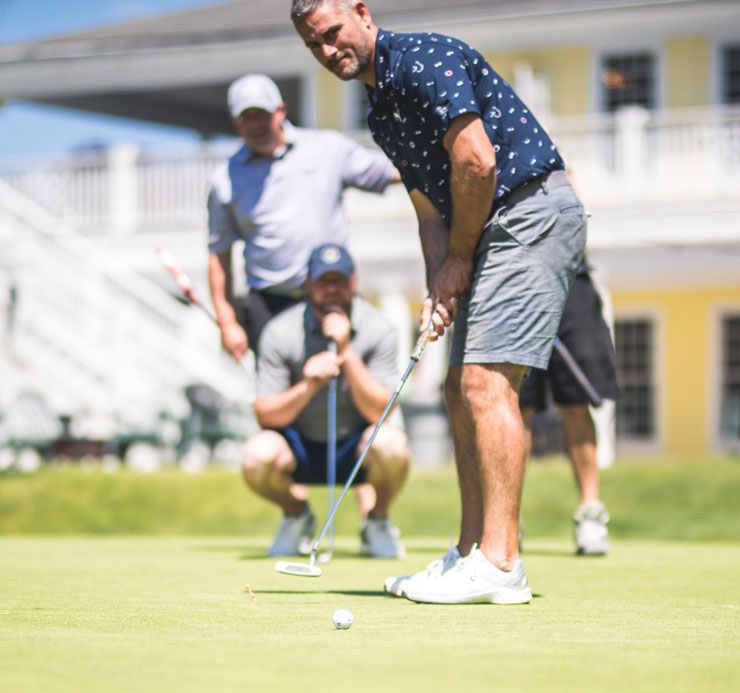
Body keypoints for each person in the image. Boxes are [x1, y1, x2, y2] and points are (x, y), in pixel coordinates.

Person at [291, 0, 588, 604]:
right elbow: (428, 206)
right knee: (457, 389)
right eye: (313, 46)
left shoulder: (426, 59)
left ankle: (502, 565)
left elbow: (477, 161)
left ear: (361, 12)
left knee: (486, 383)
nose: (327, 52)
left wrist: (458, 260)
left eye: (331, 34)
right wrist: (439, 284)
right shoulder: (380, 109)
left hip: (528, 212)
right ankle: (470, 554)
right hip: (484, 230)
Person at [206, 73, 399, 361]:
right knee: (279, 399)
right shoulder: (224, 180)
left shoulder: (327, 148)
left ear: (281, 110)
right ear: (236, 121)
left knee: (342, 386)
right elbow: (218, 256)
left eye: (263, 114)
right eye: (247, 117)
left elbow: (391, 173)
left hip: (331, 295)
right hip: (268, 304)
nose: (256, 124)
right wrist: (228, 322)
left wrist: (436, 167)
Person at [241, 243, 410, 560]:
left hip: (356, 447)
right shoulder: (280, 332)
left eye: (340, 281)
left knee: (392, 445)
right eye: (323, 282)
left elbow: (381, 411)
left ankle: (376, 520)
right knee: (256, 455)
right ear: (308, 284)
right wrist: (308, 386)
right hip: (301, 445)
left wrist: (346, 351)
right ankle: (297, 514)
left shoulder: (380, 328)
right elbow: (266, 415)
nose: (332, 290)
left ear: (354, 281)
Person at [519, 264, 619, 556]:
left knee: (576, 402)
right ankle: (506, 519)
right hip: (513, 279)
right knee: (515, 405)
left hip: (570, 277)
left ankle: (590, 513)